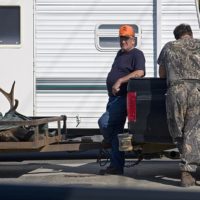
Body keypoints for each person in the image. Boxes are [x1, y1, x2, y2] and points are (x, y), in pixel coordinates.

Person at [98, 24, 145, 175]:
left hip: (123, 98)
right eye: (121, 38)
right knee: (117, 133)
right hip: (113, 98)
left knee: (104, 122)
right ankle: (116, 166)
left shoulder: (137, 54)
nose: (123, 41)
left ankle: (110, 142)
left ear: (133, 40)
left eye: (126, 38)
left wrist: (119, 81)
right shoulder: (120, 54)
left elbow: (140, 72)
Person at [157, 23, 200, 187]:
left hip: (176, 91)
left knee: (178, 129)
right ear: (190, 34)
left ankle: (187, 170)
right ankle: (187, 171)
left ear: (177, 36)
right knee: (193, 130)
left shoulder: (169, 46)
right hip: (197, 90)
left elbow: (162, 74)